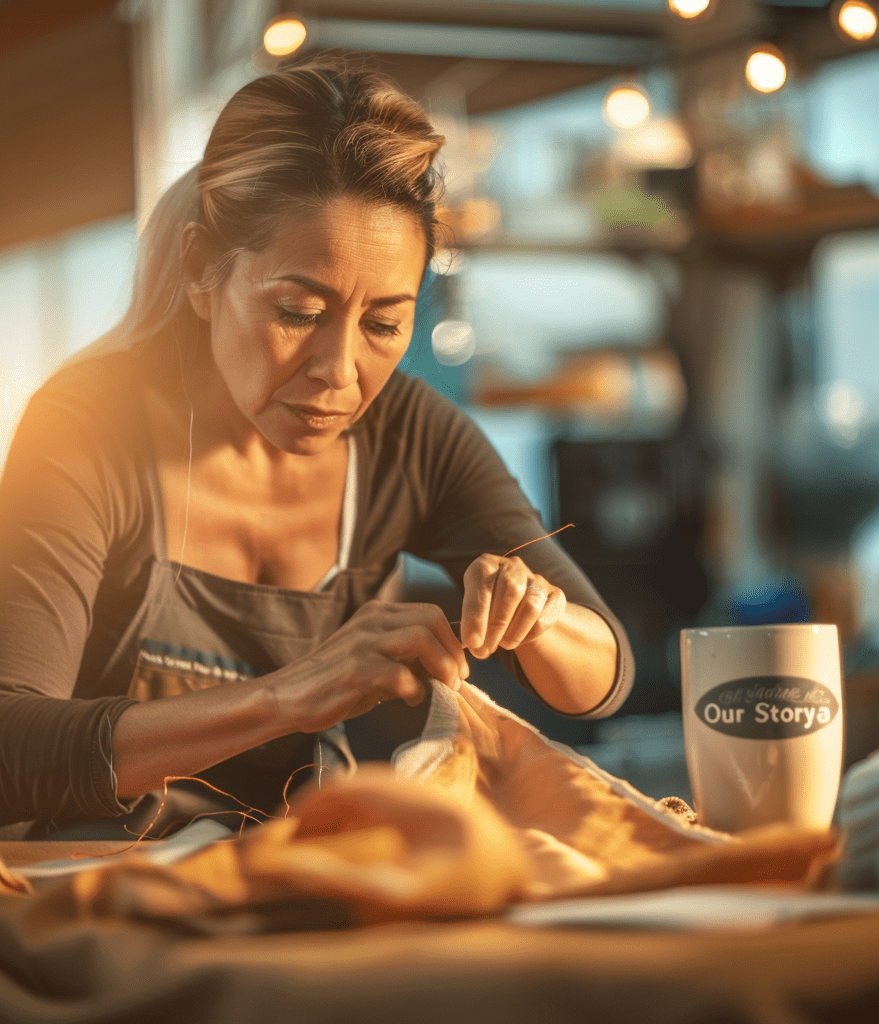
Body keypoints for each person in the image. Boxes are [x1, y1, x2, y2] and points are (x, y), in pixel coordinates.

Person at [0, 54, 633, 839]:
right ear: (203, 270)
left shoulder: (410, 435)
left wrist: (540, 617)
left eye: (382, 325)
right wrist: (287, 696)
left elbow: (601, 675)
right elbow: (9, 748)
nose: (338, 373)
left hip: (285, 892)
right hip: (85, 900)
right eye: (298, 311)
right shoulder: (88, 425)